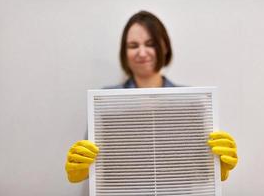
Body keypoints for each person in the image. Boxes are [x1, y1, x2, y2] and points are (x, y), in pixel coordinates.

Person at [65, 10, 238, 183]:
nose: (142, 52)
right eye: (133, 46)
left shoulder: (191, 102)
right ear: (124, 53)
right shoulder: (104, 103)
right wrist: (80, 168)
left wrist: (216, 167)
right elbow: (92, 163)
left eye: (150, 44)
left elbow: (200, 169)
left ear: (164, 47)